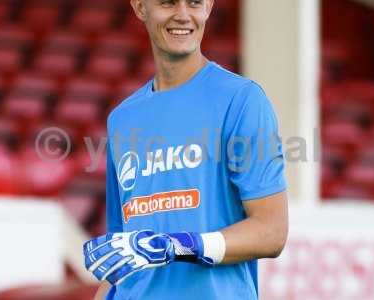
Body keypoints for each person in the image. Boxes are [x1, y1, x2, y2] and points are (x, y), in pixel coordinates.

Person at [83, 0, 288, 299]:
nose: (183, 15)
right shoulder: (122, 119)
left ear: (208, 6)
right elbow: (122, 260)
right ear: (140, 7)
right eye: (167, 2)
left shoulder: (242, 100)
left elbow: (272, 231)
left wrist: (178, 245)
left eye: (194, 2)